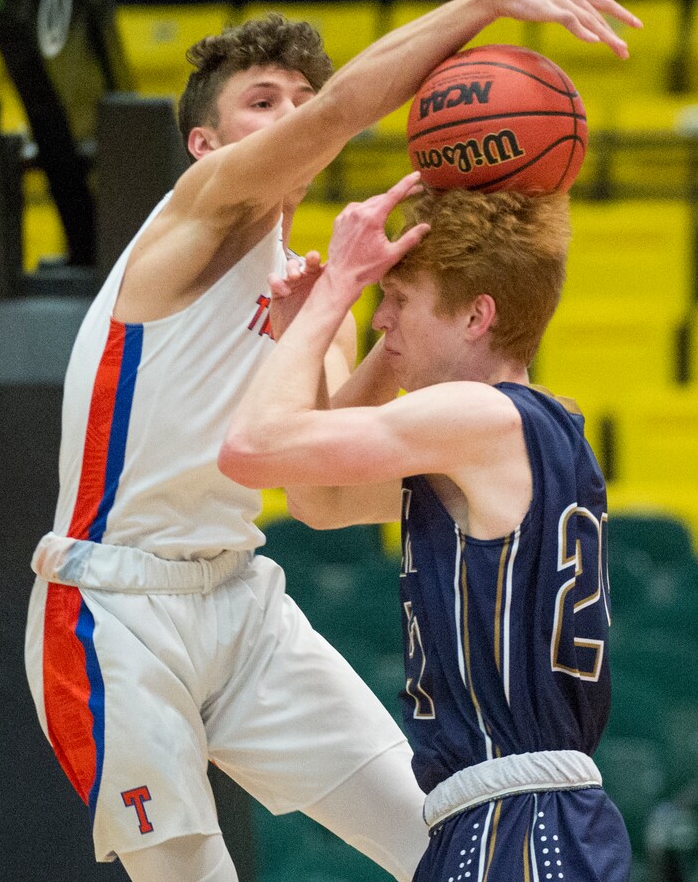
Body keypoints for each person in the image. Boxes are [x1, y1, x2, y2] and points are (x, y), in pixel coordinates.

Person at [24, 0, 639, 882]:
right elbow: (350, 108)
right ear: (205, 144)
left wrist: (373, 334)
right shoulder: (194, 216)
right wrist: (485, 1)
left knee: (445, 838)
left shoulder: (323, 294)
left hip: (239, 599)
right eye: (260, 103)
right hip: (111, 606)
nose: (291, 118)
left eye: (300, 101)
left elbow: (315, 496)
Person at [220, 172, 632, 881]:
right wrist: (334, 334)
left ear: (477, 317)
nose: (383, 319)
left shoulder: (478, 418)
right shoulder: (522, 430)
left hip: (519, 823)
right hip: (516, 816)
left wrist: (335, 293)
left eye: (400, 302)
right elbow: (321, 500)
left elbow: (250, 450)